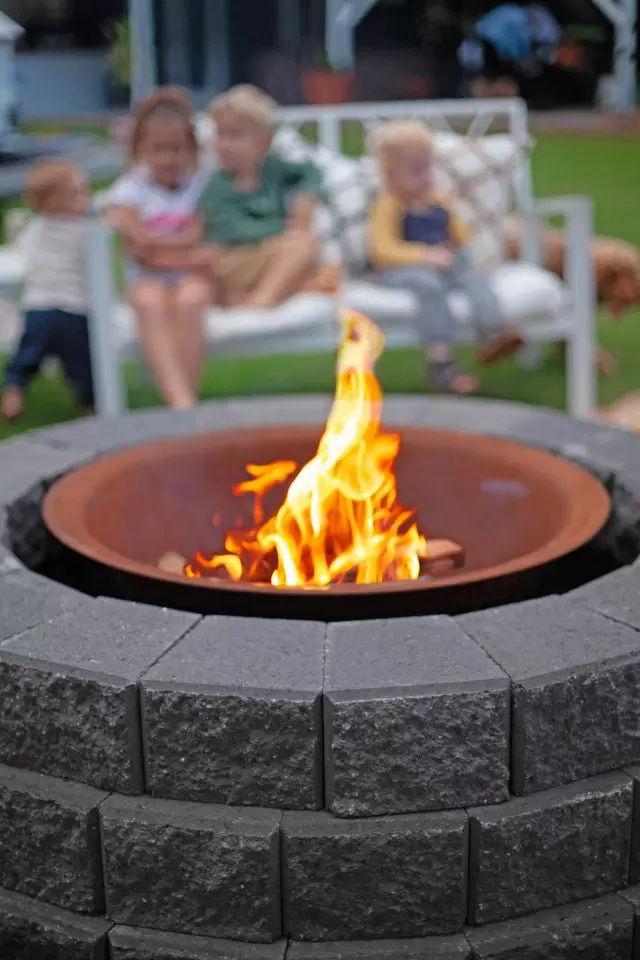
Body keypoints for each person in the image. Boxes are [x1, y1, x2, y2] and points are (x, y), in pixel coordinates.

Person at [368, 120, 523, 394]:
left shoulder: (438, 201)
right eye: (416, 170)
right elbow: (382, 250)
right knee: (429, 287)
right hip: (403, 268)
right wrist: (425, 255)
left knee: (473, 277)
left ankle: (494, 332)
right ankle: (441, 364)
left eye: (428, 167)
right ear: (389, 174)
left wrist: (457, 249)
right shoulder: (389, 204)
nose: (426, 176)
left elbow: (460, 234)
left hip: (443, 262)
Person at [105, 87, 211, 410]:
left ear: (191, 149)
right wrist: (184, 250)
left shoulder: (199, 185)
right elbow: (138, 250)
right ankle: (182, 405)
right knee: (149, 302)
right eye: (159, 149)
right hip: (147, 279)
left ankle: (183, 403)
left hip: (188, 277)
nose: (169, 158)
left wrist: (155, 243)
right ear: (141, 149)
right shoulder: (129, 189)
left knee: (193, 298)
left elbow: (198, 234)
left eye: (177, 149)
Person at [197, 85, 321, 309]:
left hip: (267, 258)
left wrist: (305, 200)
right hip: (231, 257)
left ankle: (252, 298)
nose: (224, 144)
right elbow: (232, 231)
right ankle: (263, 300)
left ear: (263, 141)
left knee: (305, 249)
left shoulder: (273, 170)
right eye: (220, 134)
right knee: (301, 245)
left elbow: (310, 172)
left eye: (235, 135)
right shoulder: (216, 185)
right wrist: (285, 229)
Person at [1, 160, 94, 422]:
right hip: (73, 308)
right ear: (51, 202)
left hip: (38, 307)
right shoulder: (84, 231)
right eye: (77, 193)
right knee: (80, 362)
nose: (86, 199)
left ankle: (14, 388)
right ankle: (89, 403)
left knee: (28, 353)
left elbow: (20, 251)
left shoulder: (34, 228)